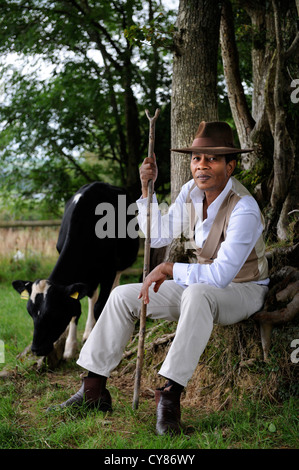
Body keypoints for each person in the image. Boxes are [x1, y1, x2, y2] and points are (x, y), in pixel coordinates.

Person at [49, 121, 269, 435]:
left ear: (230, 166)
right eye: (196, 158)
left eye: (212, 159)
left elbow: (220, 276)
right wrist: (145, 191)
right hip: (201, 287)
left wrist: (169, 270)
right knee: (124, 295)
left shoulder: (244, 208)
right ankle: (93, 389)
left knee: (198, 293)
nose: (201, 165)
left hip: (243, 290)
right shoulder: (191, 193)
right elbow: (157, 236)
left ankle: (170, 399)